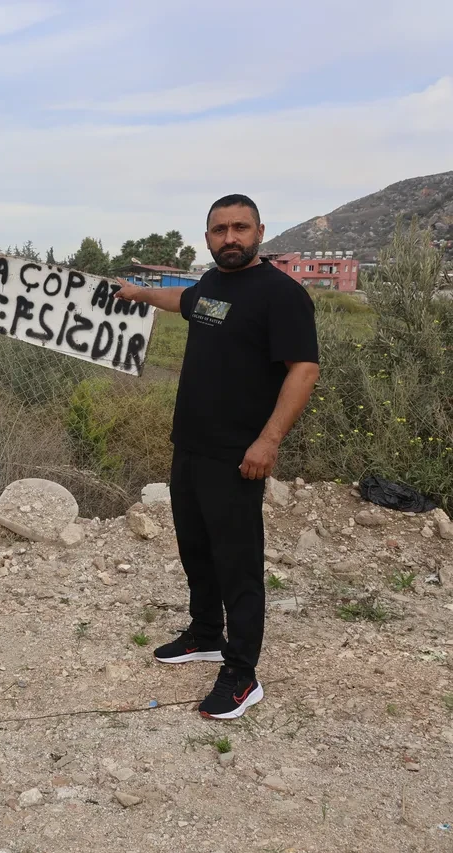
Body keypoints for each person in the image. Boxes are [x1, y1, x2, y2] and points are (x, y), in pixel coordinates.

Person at [114, 194, 319, 720]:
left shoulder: (282, 295)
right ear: (207, 237)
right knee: (196, 548)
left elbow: (303, 370)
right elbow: (179, 303)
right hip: (191, 446)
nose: (230, 237)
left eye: (240, 228)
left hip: (238, 455)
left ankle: (241, 673)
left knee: (238, 563)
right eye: (219, 229)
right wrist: (137, 292)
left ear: (259, 232)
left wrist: (268, 440)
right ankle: (205, 632)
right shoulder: (210, 285)